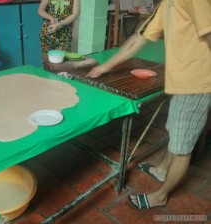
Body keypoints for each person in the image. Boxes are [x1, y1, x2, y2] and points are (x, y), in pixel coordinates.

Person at [87, 0, 211, 210]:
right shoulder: (167, 3)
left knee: (182, 148)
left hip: (197, 82)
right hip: (181, 80)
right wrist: (105, 66)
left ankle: (161, 196)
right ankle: (162, 169)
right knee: (175, 129)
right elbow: (139, 38)